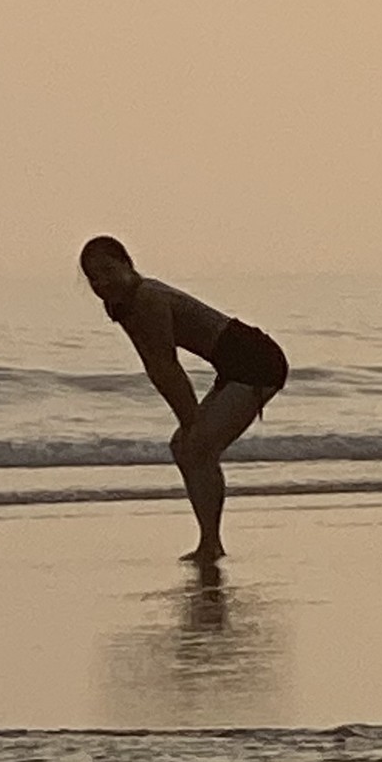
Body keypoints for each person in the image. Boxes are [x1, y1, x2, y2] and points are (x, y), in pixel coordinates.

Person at [79, 235, 287, 564]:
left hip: (256, 359)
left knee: (198, 446)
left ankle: (211, 544)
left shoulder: (146, 297)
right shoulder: (122, 304)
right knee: (183, 447)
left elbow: (167, 368)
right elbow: (155, 365)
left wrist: (191, 421)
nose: (101, 282)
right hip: (234, 363)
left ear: (127, 265)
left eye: (107, 270)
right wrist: (188, 423)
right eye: (93, 277)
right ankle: (209, 540)